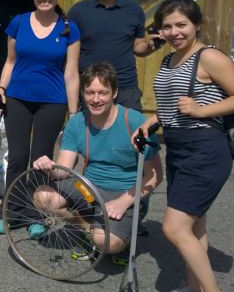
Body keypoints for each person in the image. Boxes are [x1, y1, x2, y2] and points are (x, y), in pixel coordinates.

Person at [137, 0, 234, 292]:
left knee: (175, 228)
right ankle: (193, 291)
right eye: (167, 26)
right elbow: (174, 104)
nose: (175, 32)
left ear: (197, 24)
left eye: (181, 25)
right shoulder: (168, 58)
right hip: (178, 147)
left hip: (206, 149)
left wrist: (204, 110)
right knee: (195, 227)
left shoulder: (210, 57)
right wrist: (154, 119)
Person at [32, 62, 162, 263]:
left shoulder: (134, 121)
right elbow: (64, 170)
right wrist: (49, 167)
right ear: (82, 93)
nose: (96, 99)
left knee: (108, 244)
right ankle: (88, 229)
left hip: (125, 192)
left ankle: (116, 238)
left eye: (103, 93)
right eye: (90, 92)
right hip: (89, 189)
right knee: (43, 197)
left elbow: (155, 176)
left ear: (115, 93)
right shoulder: (77, 122)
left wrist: (123, 202)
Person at [68, 0, 161, 232]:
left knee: (137, 152)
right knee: (89, 150)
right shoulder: (79, 12)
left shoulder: (133, 10)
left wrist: (151, 45)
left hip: (126, 89)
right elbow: (71, 55)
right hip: (93, 91)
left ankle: (133, 209)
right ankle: (91, 206)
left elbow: (138, 46)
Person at [0, 0, 80, 236]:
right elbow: (9, 62)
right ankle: (12, 212)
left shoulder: (69, 28)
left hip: (52, 102)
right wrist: (1, 88)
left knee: (41, 159)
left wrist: (74, 112)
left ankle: (36, 215)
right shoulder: (18, 23)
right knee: (17, 157)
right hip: (17, 98)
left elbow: (72, 72)